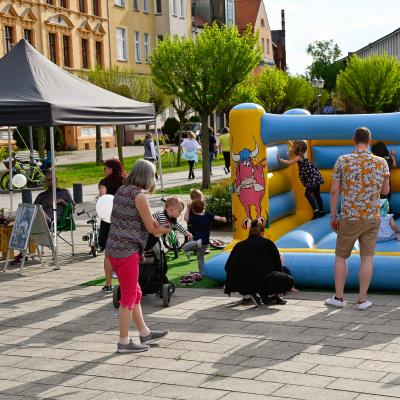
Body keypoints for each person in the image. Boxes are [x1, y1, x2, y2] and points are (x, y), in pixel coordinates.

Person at [106, 159, 170, 353]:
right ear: (148, 177)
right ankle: (124, 342)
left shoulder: (122, 190)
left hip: (114, 248)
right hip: (127, 251)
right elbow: (151, 228)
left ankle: (144, 332)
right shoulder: (139, 196)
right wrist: (166, 230)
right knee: (128, 297)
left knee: (136, 292)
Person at [327, 127, 390, 310]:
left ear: (354, 140)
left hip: (349, 217)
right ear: (370, 141)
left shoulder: (343, 161)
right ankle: (362, 300)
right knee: (367, 258)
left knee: (341, 256)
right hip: (371, 217)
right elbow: (385, 191)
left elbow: (334, 192)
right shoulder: (381, 163)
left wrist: (333, 216)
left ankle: (339, 298)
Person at [11, 170, 75, 265]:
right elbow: (32, 209)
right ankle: (22, 253)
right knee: (26, 216)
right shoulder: (42, 195)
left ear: (56, 180)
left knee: (30, 218)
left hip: (55, 221)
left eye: (50, 180)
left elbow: (73, 208)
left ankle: (15, 221)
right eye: (46, 180)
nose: (48, 182)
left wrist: (62, 201)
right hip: (39, 221)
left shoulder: (64, 192)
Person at [224, 220, 295, 305]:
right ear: (262, 232)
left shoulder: (239, 245)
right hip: (261, 280)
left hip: (240, 283)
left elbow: (228, 266)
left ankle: (248, 295)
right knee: (288, 280)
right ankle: (266, 294)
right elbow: (278, 265)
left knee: (248, 276)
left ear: (250, 232)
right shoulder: (268, 243)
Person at [98, 158, 127, 294]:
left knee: (108, 254)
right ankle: (126, 283)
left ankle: (108, 284)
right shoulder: (126, 181)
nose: (104, 170)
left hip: (108, 220)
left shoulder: (104, 183)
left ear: (111, 169)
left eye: (105, 168)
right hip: (124, 220)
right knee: (126, 252)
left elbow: (103, 198)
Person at [278, 140, 325, 220]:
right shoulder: (304, 154)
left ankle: (316, 211)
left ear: (298, 149)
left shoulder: (298, 157)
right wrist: (290, 142)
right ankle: (321, 211)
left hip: (311, 178)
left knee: (307, 194)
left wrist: (280, 159)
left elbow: (289, 162)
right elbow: (295, 146)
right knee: (317, 194)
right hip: (315, 175)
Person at [182, 199, 226, 276]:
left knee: (185, 248)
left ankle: (195, 243)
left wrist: (188, 209)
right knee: (200, 258)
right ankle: (202, 272)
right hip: (205, 242)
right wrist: (222, 218)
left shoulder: (194, 218)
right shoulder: (208, 215)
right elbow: (217, 217)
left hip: (197, 240)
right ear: (204, 208)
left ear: (193, 210)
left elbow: (185, 218)